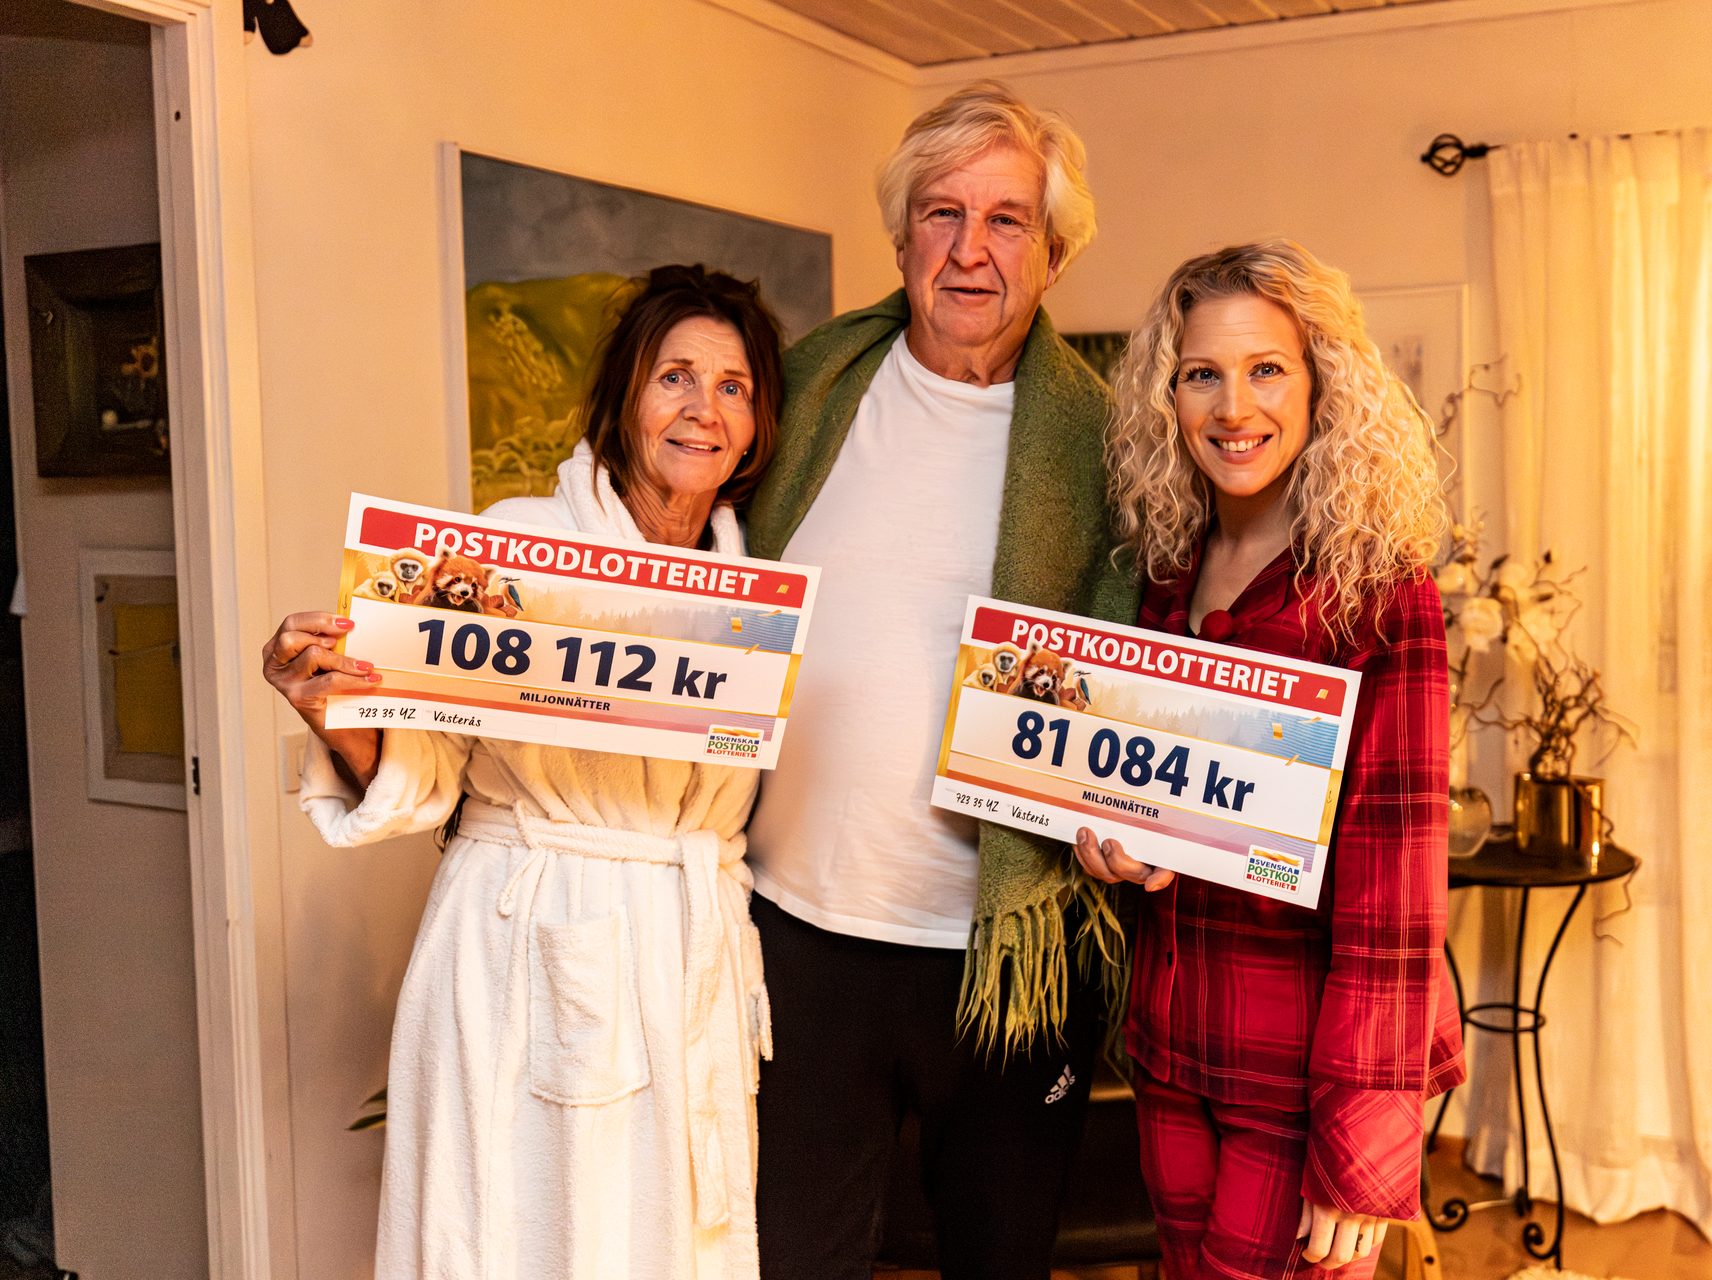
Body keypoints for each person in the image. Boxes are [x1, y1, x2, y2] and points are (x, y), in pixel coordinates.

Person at [261, 265, 785, 1279]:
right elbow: (424, 773)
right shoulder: (512, 547)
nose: (703, 409)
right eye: (675, 376)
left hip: (688, 939)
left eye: (734, 387)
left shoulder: (758, 594)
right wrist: (327, 708)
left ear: (757, 426)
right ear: (625, 393)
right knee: (511, 1234)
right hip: (528, 936)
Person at [742, 82, 1135, 1280]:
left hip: (1006, 955)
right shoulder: (800, 390)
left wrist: (1135, 816)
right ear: (901, 235)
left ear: (1055, 251)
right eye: (941, 213)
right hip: (795, 933)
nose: (971, 249)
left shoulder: (1111, 447)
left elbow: (1146, 666)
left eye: (1007, 220)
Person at [1078, 241, 1466, 1278]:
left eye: (1266, 369)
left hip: (1299, 1076)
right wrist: (1110, 842)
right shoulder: (1164, 578)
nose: (1233, 405)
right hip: (1170, 1050)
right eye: (1201, 373)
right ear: (1168, 395)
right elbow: (1156, 800)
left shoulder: (1378, 593)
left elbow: (1397, 896)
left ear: (1319, 382)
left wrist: (1363, 1139)